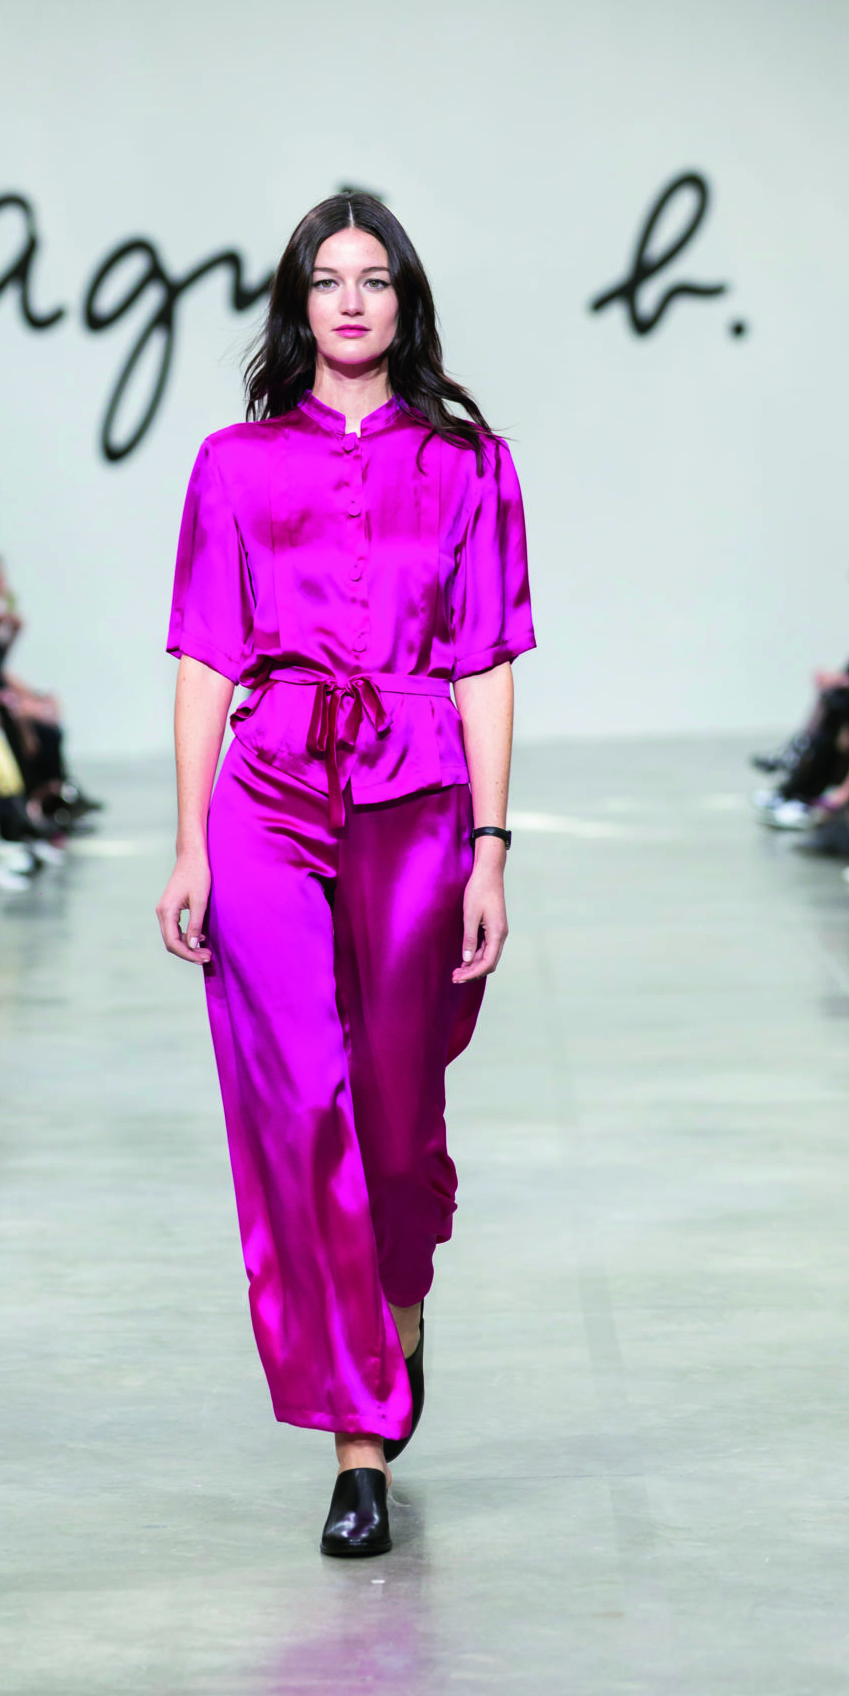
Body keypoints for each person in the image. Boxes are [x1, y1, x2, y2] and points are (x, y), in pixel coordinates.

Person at [155, 194, 534, 1558]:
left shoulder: (470, 464)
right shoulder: (232, 464)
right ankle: (357, 1441)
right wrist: (189, 841)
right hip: (268, 794)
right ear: (300, 304)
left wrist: (492, 846)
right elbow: (206, 656)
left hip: (420, 793)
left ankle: (402, 1306)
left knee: (396, 1108)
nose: (353, 300)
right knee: (300, 1097)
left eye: (376, 279)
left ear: (405, 301)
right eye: (329, 280)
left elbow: (487, 662)